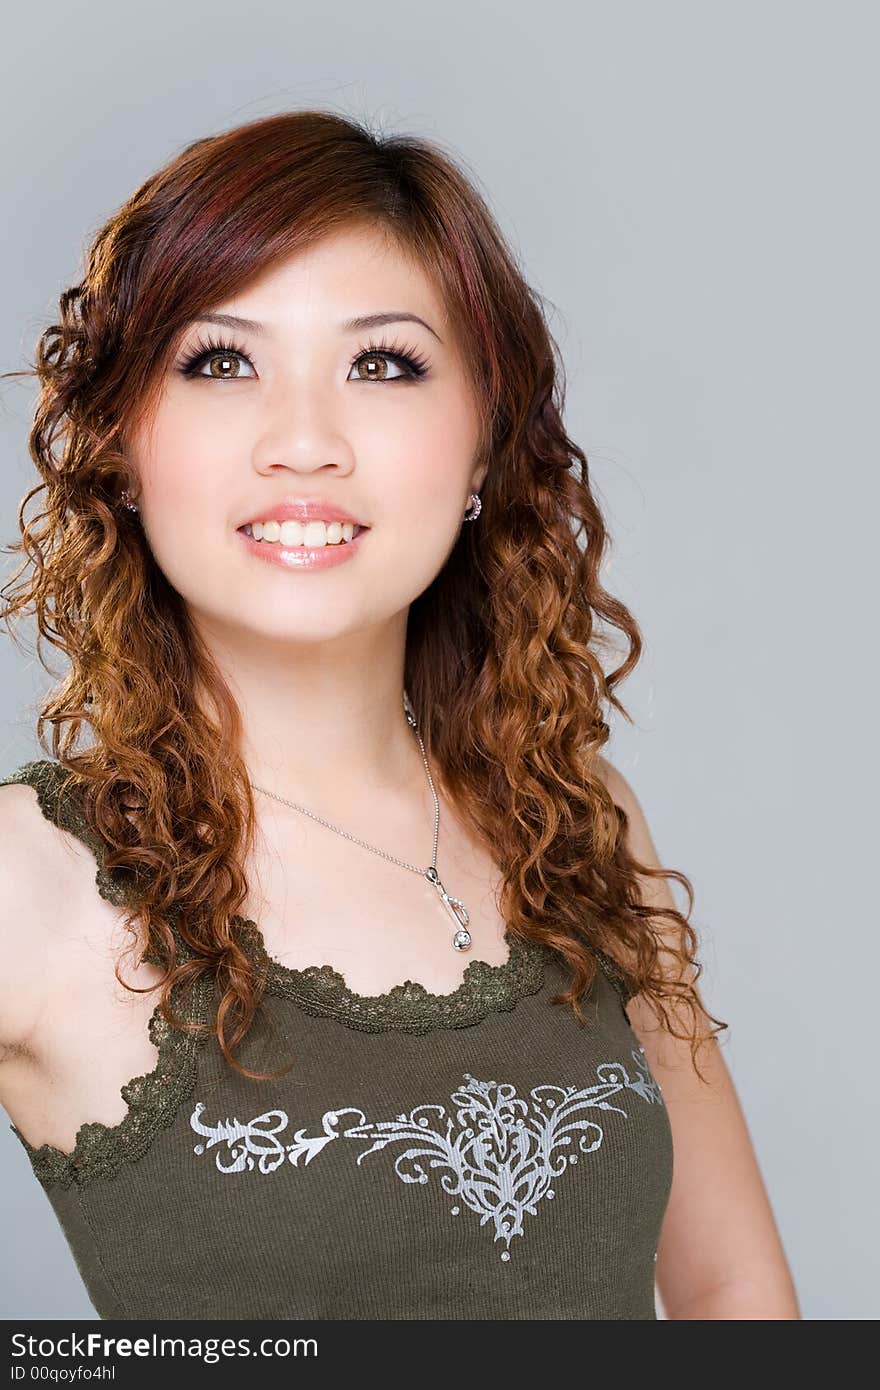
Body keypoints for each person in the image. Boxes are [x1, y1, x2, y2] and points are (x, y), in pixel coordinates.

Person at [0, 109, 799, 1321]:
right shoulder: (32, 876)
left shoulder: (580, 824)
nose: (305, 443)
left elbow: (733, 1287)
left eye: (383, 364)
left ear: (483, 443)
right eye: (221, 361)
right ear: (120, 442)